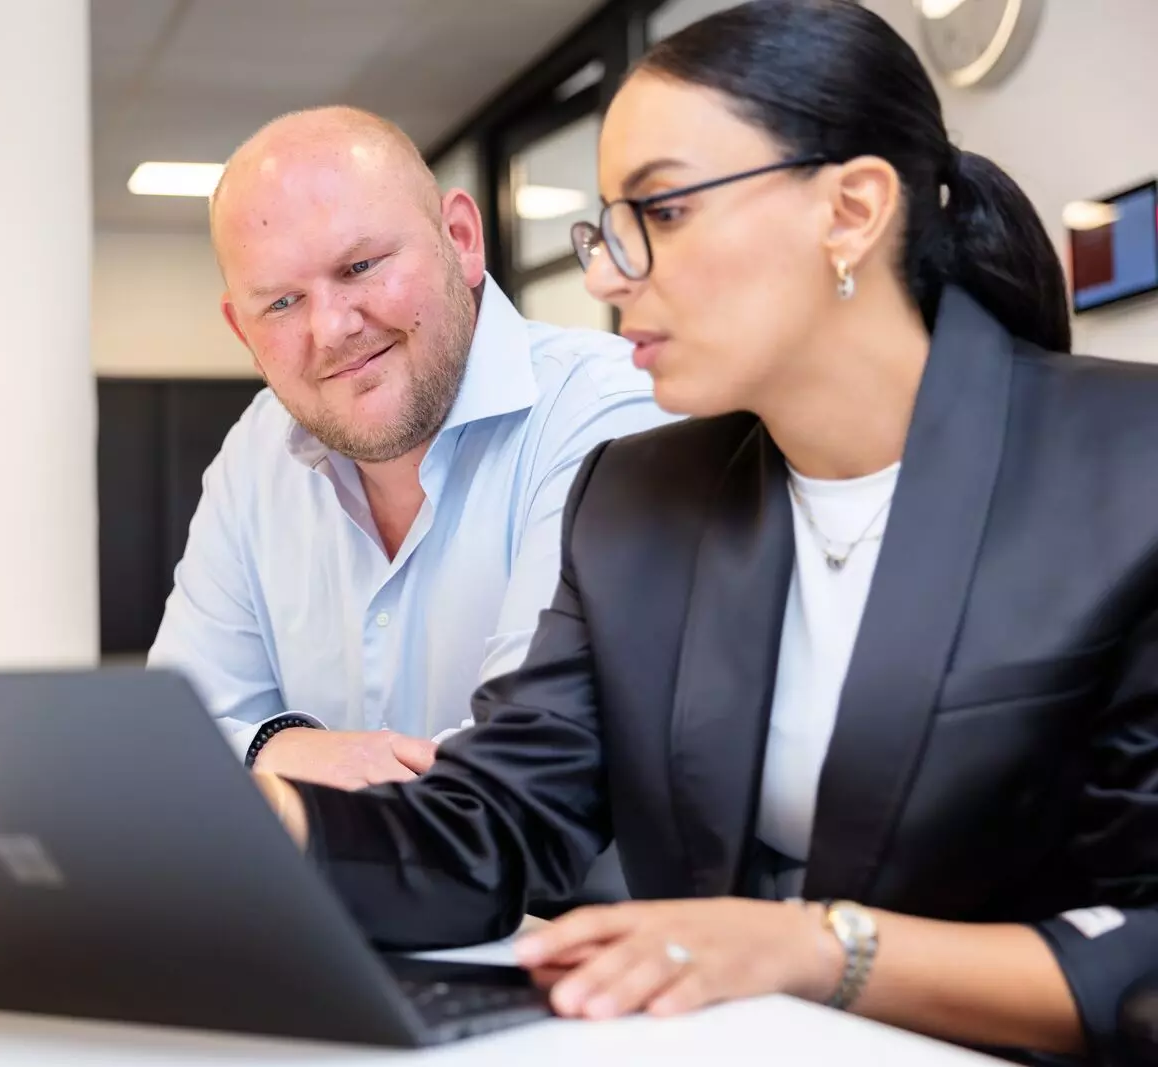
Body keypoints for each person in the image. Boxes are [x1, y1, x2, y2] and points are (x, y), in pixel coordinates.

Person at [251, 3, 1158, 1062]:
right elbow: (491, 822)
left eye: (664, 211)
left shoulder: (1127, 468)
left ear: (851, 209)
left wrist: (814, 948)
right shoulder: (639, 497)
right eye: (607, 225)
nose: (604, 274)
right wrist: (261, 824)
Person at [148, 107, 674, 798]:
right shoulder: (257, 450)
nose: (332, 328)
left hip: (564, 906)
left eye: (360, 266)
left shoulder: (610, 413)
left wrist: (263, 765)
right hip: (321, 897)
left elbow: (528, 759)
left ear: (460, 238)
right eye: (281, 302)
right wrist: (281, 743)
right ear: (241, 331)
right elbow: (170, 734)